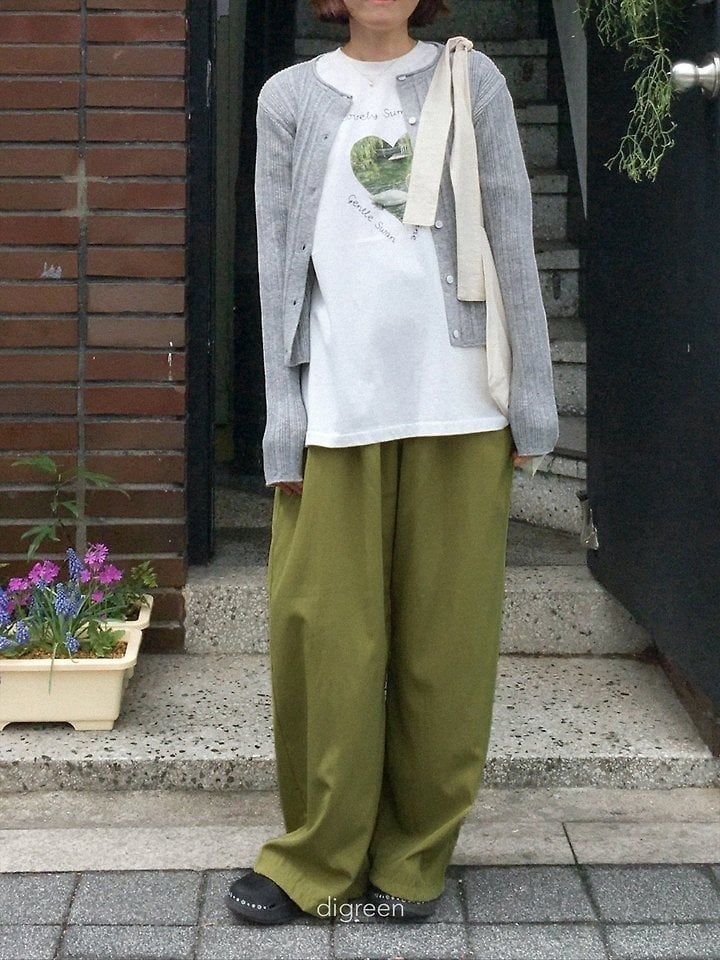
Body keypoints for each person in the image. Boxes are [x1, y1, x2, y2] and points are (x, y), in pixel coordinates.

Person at [227, 0, 558, 924]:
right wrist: (283, 417)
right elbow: (277, 269)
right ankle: (318, 857)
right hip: (338, 407)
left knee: (445, 650)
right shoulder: (289, 97)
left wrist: (533, 400)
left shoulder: (472, 78)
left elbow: (513, 236)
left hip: (462, 405)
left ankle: (414, 858)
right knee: (325, 639)